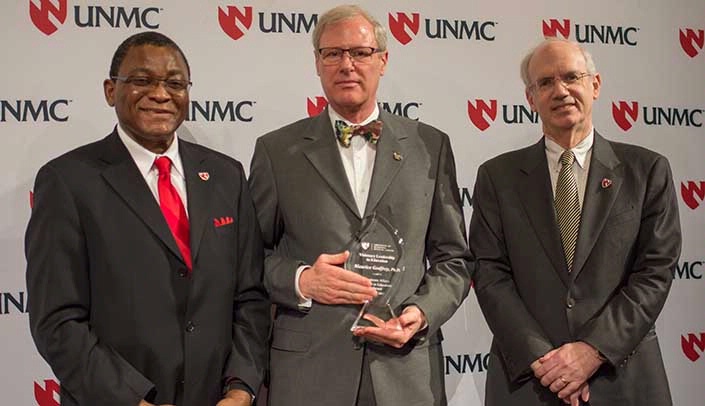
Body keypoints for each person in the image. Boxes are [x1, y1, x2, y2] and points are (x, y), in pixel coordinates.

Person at [25, 31, 269, 406]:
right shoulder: (67, 181)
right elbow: (57, 321)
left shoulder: (226, 175)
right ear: (110, 90)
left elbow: (250, 296)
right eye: (142, 80)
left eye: (175, 83)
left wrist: (240, 389)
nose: (160, 93)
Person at [248, 5, 472, 406]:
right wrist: (302, 280)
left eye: (360, 52)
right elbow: (249, 258)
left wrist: (420, 314)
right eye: (332, 53)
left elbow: (453, 259)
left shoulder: (430, 147)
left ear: (383, 60)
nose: (346, 64)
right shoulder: (276, 151)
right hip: (308, 374)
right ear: (316, 63)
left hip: (406, 373)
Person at [469, 38, 681, 406]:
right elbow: (489, 273)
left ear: (594, 85)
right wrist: (544, 361)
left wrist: (592, 351)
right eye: (545, 83)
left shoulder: (647, 171)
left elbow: (655, 272)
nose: (561, 90)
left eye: (571, 77)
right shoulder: (497, 177)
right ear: (530, 98)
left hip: (624, 378)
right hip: (530, 381)